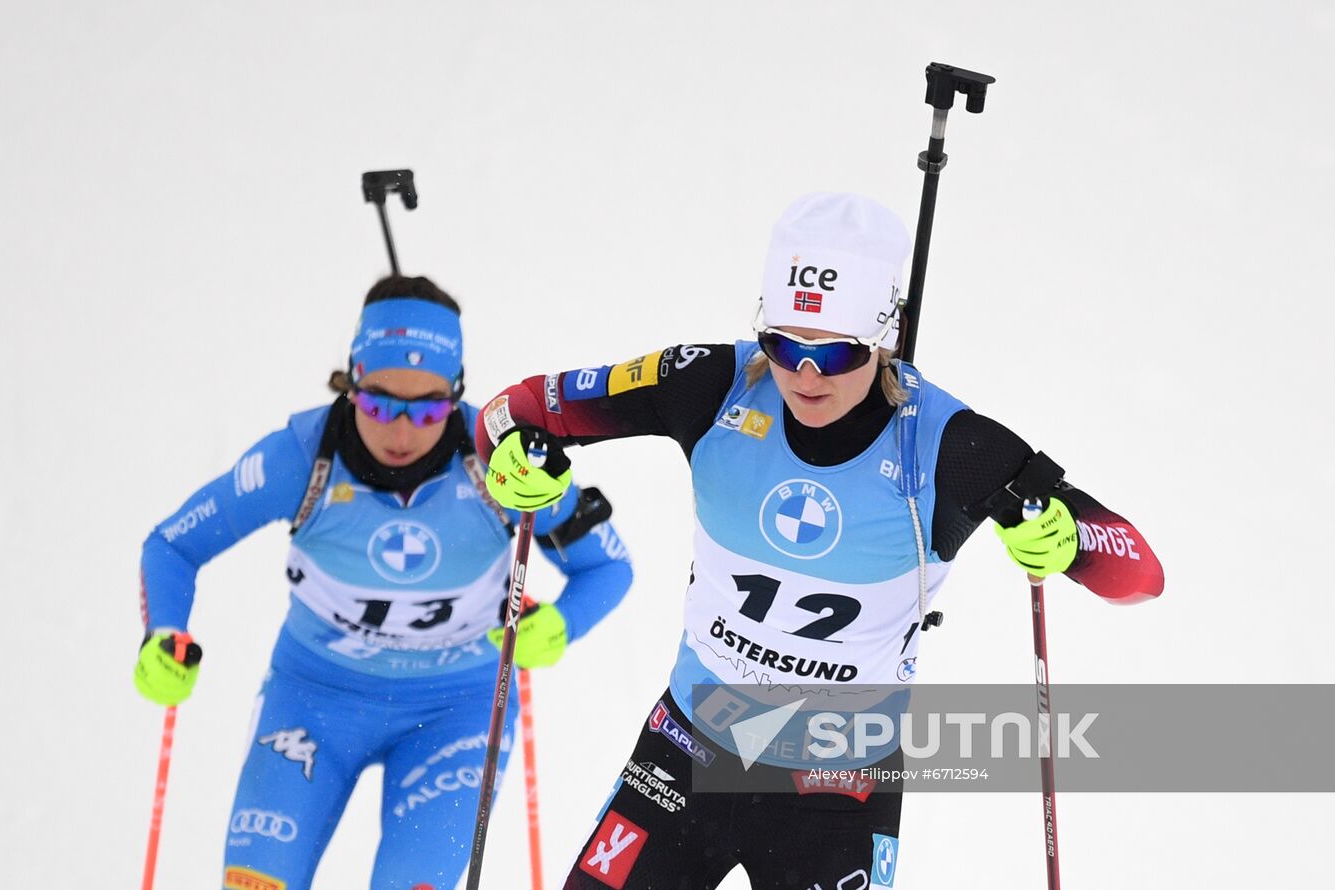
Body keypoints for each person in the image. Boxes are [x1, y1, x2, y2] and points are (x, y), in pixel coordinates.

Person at [475, 193, 1163, 889]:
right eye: (783, 346)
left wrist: (1069, 538)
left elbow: (1140, 571)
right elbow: (517, 411)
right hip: (689, 747)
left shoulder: (952, 446)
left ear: (882, 338)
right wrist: (510, 454)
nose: (806, 375)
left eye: (834, 353)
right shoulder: (711, 384)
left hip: (839, 780)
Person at [134, 275, 634, 890]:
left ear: (456, 395)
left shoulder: (502, 459)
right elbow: (173, 545)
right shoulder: (300, 458)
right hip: (314, 699)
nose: (402, 432)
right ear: (350, 383)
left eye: (427, 408)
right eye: (378, 404)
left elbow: (607, 566)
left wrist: (558, 625)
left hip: (458, 712)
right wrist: (163, 634)